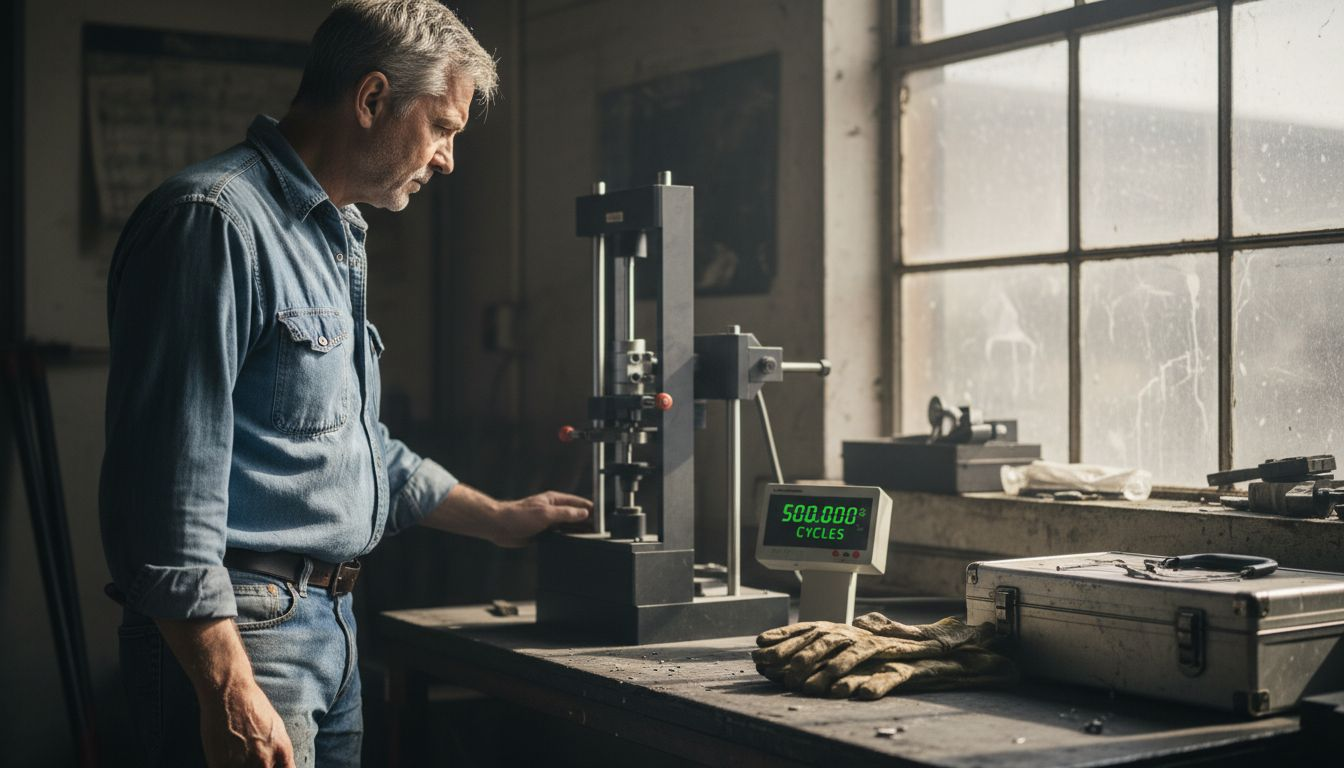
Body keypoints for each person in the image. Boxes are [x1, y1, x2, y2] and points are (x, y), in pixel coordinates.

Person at [98, 1, 591, 765]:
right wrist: (227, 688)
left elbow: (353, 448)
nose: (449, 159)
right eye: (444, 128)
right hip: (245, 636)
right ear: (371, 100)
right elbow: (165, 486)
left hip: (330, 627)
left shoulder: (333, 235)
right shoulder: (215, 222)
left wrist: (497, 517)